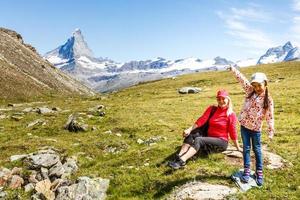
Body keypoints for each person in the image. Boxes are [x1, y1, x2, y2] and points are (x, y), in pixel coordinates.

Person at [168, 89, 241, 170]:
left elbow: (232, 132)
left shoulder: (231, 114)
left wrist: (237, 147)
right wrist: (189, 129)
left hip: (221, 141)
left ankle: (182, 161)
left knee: (199, 140)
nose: (221, 101)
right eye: (219, 99)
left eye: (223, 98)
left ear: (228, 99)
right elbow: (202, 119)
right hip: (208, 137)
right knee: (192, 133)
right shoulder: (212, 109)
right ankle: (179, 156)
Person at [228, 66, 274, 186]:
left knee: (257, 150)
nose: (257, 88)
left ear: (265, 84)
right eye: (254, 85)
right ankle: (247, 170)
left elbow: (270, 116)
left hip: (256, 129)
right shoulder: (250, 91)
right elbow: (242, 80)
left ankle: (259, 172)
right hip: (244, 127)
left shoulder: (268, 99)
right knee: (246, 149)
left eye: (259, 85)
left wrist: (270, 129)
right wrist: (234, 70)